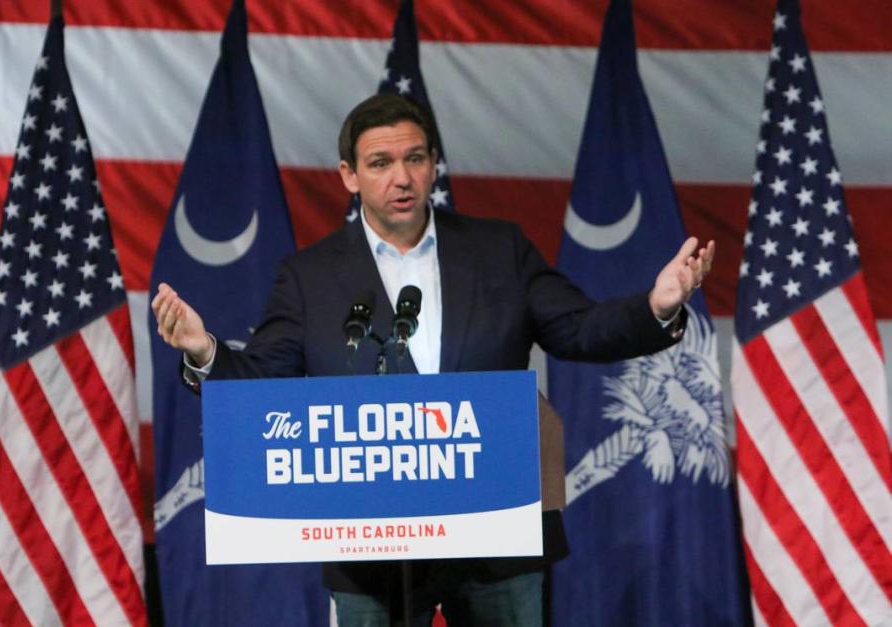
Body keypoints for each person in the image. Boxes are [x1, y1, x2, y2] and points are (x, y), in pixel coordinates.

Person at [152, 93, 714, 626]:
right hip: (369, 542)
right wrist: (205, 351)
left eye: (415, 158)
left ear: (434, 164)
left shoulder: (499, 250)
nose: (402, 177)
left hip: (497, 527)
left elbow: (579, 330)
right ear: (348, 175)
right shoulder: (310, 276)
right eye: (380, 163)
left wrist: (655, 307)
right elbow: (261, 383)